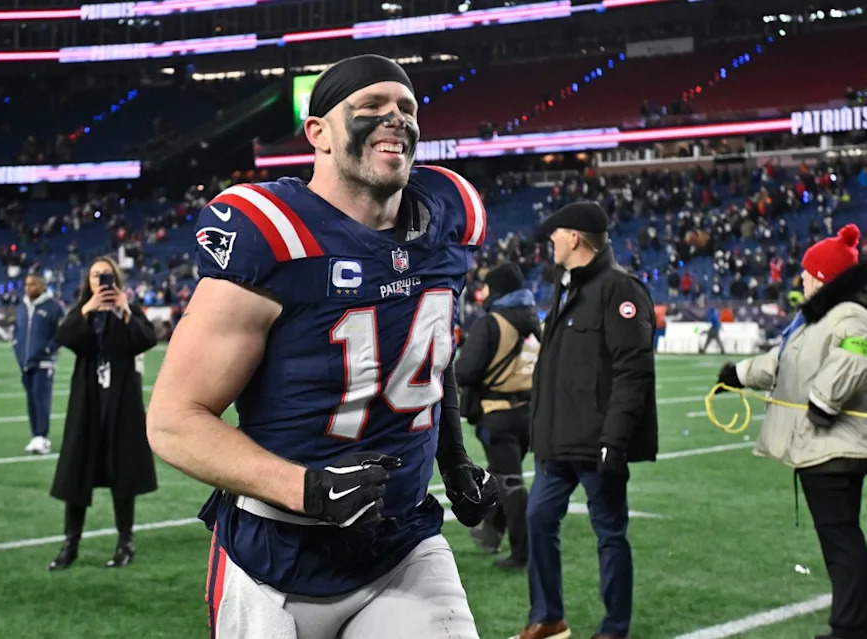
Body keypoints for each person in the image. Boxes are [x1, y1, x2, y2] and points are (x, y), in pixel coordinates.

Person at [147, 54, 497, 639]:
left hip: (401, 546)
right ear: (318, 133)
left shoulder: (444, 222)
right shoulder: (275, 234)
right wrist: (306, 489)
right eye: (370, 108)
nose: (396, 120)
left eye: (406, 109)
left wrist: (453, 457)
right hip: (274, 558)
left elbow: (430, 357)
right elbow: (174, 421)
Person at [716, 224, 866, 639]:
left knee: (841, 540)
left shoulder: (849, 313)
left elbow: (856, 356)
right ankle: (851, 620)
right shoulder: (820, 317)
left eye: (807, 271)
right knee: (840, 538)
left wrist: (823, 402)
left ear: (824, 276)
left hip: (834, 446)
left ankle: (852, 627)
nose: (802, 278)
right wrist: (739, 375)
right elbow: (784, 363)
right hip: (825, 446)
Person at [520, 202, 658, 639]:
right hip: (558, 442)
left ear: (575, 238)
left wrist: (614, 441)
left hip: (598, 443)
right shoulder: (569, 286)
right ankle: (548, 616)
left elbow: (632, 371)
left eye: (556, 235)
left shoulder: (620, 289)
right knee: (538, 519)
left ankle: (615, 627)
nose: (551, 243)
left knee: (610, 533)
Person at [48, 256, 158, 571]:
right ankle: (71, 543)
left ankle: (126, 542)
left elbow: (147, 339)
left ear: (117, 279)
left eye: (106, 276)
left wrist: (124, 310)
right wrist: (87, 309)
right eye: (96, 276)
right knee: (76, 472)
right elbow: (64, 337)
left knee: (122, 472)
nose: (101, 282)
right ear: (88, 281)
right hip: (88, 402)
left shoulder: (127, 309)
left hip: (121, 403)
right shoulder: (83, 310)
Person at [455, 262, 540, 570]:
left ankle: (523, 553)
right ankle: (491, 531)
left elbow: (466, 370)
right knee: (501, 474)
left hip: (498, 413)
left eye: (488, 287)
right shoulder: (533, 320)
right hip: (528, 413)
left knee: (510, 482)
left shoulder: (491, 323)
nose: (483, 292)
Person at [12, 272, 64, 455]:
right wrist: (17, 350)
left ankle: (42, 436)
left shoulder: (53, 307)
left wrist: (48, 350)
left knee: (41, 399)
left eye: (33, 284)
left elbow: (60, 334)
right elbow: (17, 333)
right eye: (26, 285)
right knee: (31, 401)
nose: (28, 288)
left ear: (42, 286)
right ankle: (35, 435)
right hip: (26, 363)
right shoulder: (22, 308)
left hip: (44, 363)